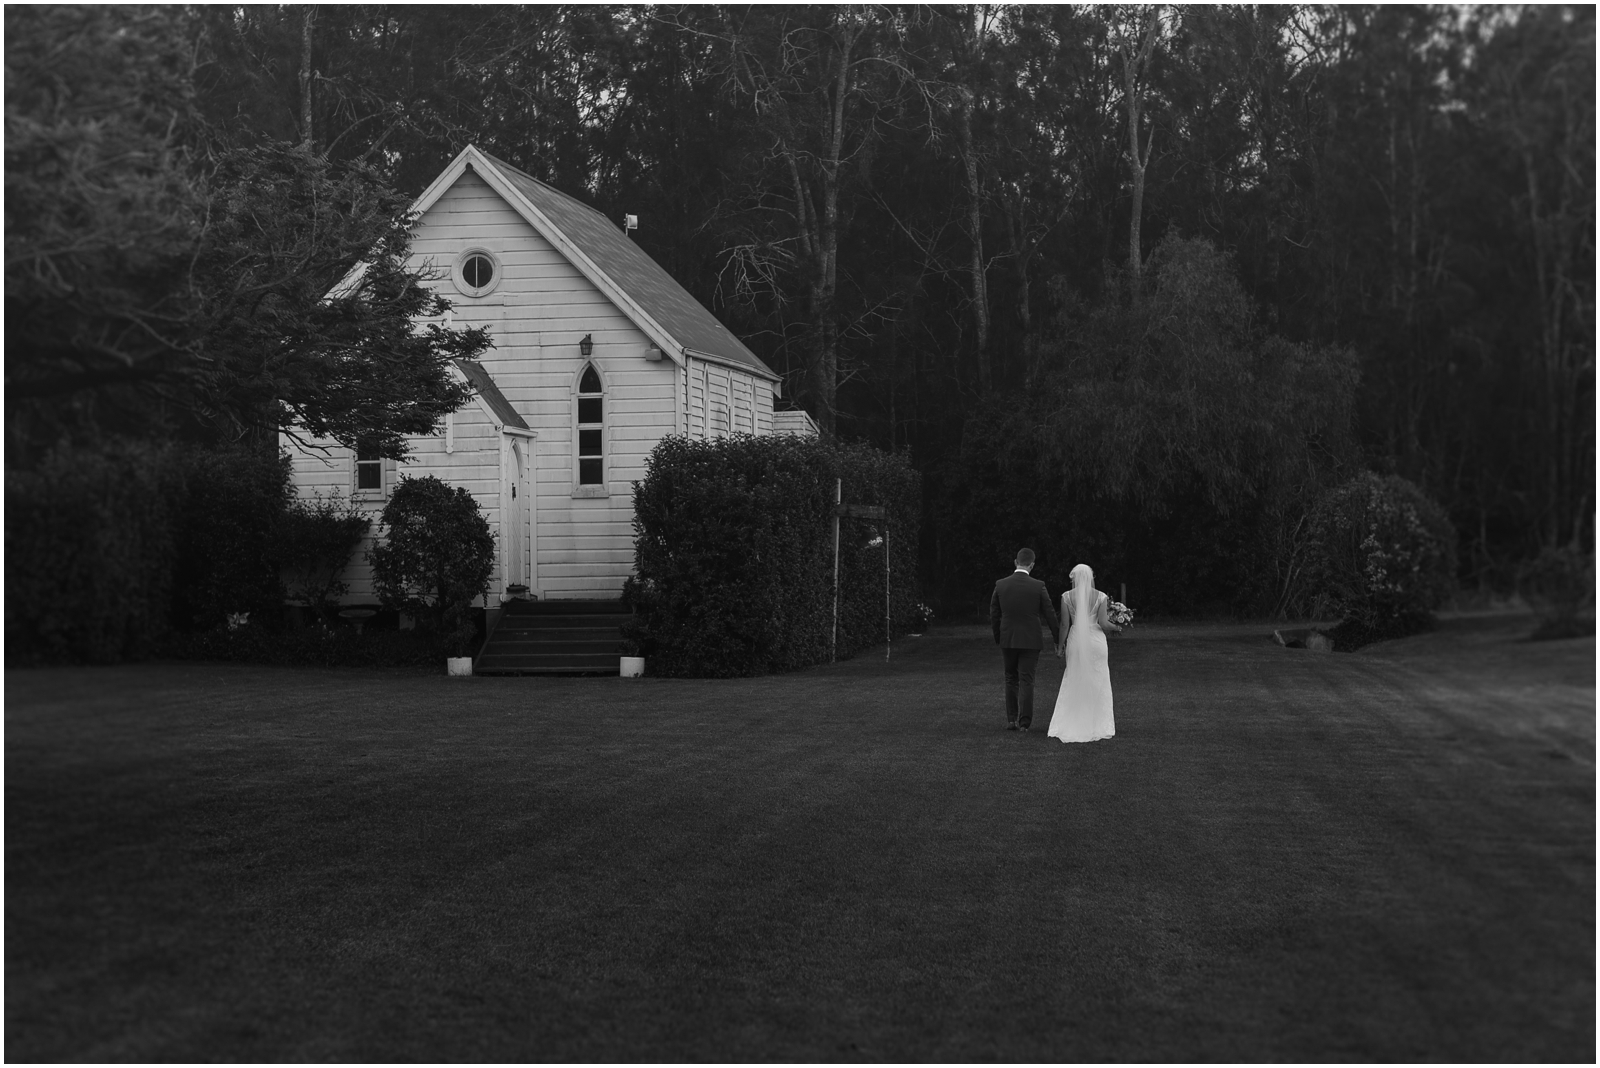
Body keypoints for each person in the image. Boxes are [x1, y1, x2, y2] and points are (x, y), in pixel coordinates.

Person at [989, 548, 1061, 732]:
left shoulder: (1001, 584)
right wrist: (1057, 638)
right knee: (1027, 680)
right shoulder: (1038, 586)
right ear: (1032, 565)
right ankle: (1024, 723)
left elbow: (994, 613)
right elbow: (1050, 613)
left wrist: (999, 636)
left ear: (1015, 562)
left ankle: (1011, 720)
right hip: (1030, 640)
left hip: (1008, 639)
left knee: (1010, 678)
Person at [1047, 563, 1120, 743]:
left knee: (1074, 676)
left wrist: (1059, 646)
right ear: (1091, 578)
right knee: (1098, 679)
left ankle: (1071, 721)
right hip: (1096, 642)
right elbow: (1103, 623)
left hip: (1076, 641)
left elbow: (1064, 625)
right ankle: (1097, 723)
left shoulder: (1066, 597)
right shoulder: (1101, 596)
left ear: (1074, 579)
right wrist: (1117, 626)